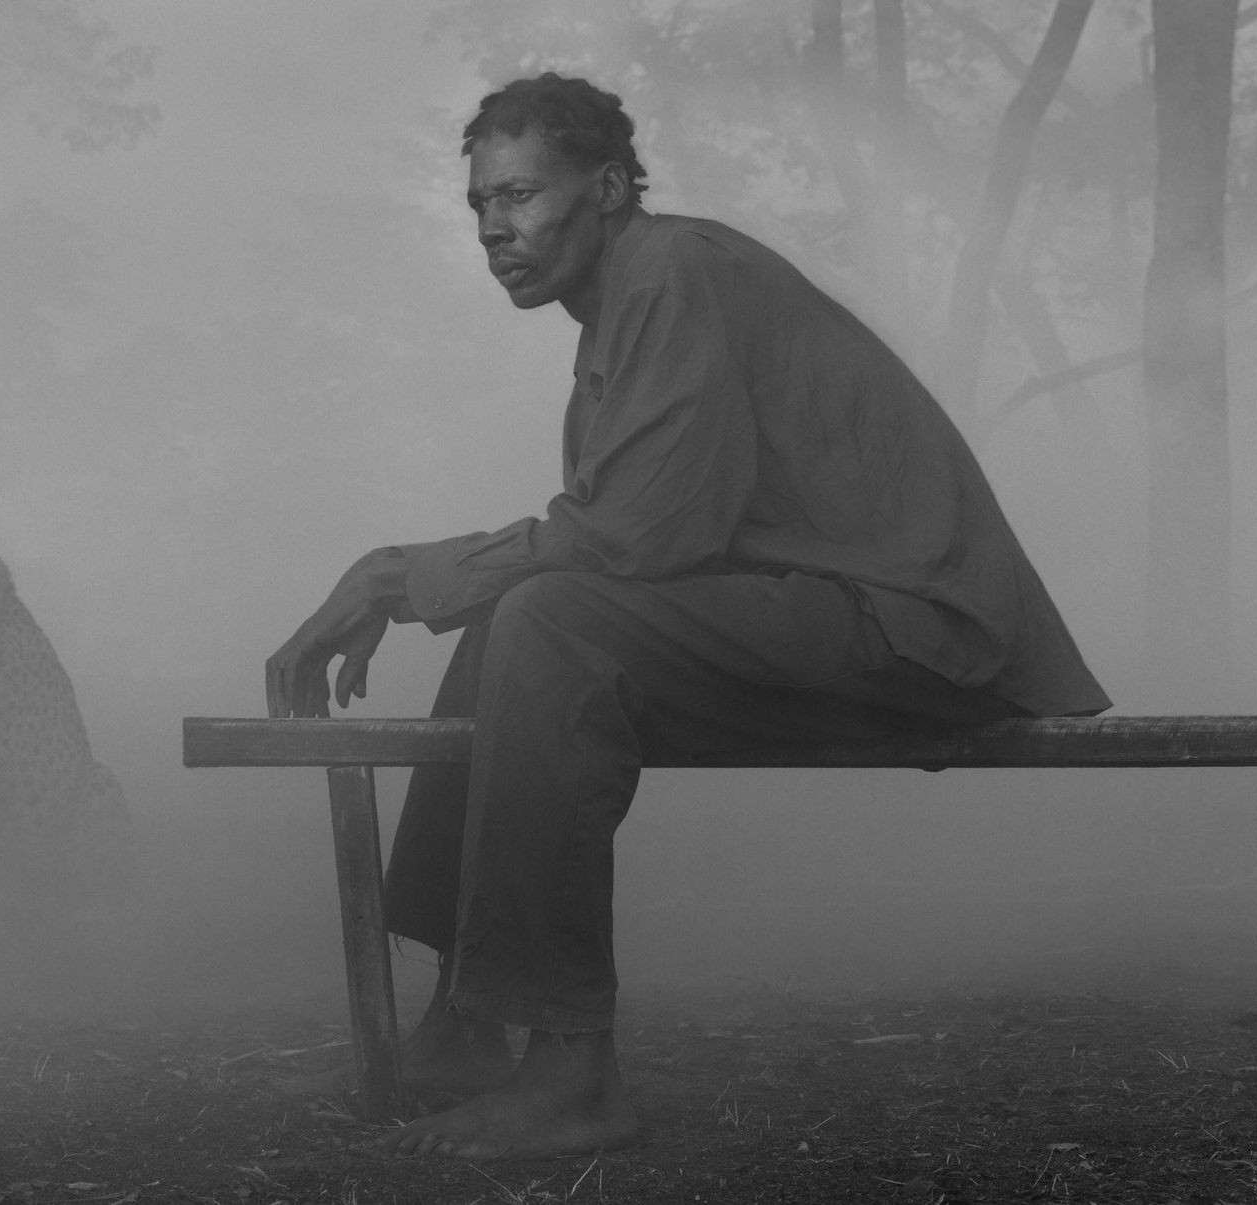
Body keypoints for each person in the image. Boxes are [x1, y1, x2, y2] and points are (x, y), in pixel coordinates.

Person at [264, 73, 1110, 1161]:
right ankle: (464, 1025)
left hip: (911, 623)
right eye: (478, 204)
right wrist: (441, 584)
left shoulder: (673, 269)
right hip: (835, 611)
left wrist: (397, 576)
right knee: (513, 621)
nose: (491, 229)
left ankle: (571, 1078)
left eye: (520, 195)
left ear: (610, 189)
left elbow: (636, 534)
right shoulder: (620, 309)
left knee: (551, 622)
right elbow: (641, 536)